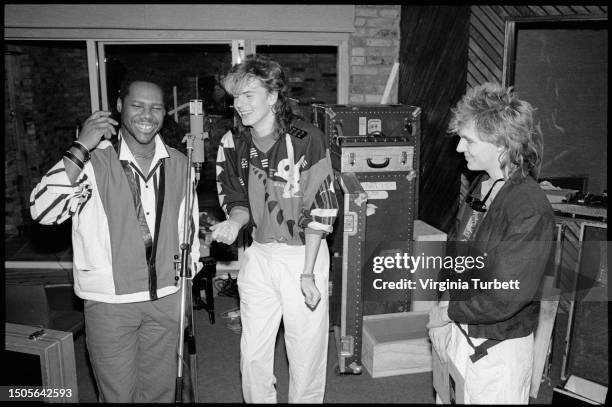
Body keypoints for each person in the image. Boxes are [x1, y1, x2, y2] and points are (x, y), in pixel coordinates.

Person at [30, 77, 201, 402]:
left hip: (166, 297)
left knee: (161, 393)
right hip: (110, 303)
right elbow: (43, 210)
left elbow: (188, 230)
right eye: (138, 105)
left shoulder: (181, 163)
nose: (147, 115)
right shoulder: (91, 161)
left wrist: (186, 288)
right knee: (118, 395)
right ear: (120, 106)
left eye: (156, 107)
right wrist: (81, 145)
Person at [211, 54, 338, 403]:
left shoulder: (306, 138)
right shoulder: (232, 143)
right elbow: (235, 197)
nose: (240, 104)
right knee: (252, 353)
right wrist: (233, 224)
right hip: (259, 255)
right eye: (236, 97)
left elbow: (322, 206)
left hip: (303, 254)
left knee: (306, 353)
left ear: (272, 96)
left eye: (248, 95)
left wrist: (309, 273)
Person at [427, 82, 554, 404]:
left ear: (499, 145)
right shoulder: (482, 185)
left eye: (468, 140)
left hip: (497, 349)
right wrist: (442, 311)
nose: (459, 148)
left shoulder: (528, 208)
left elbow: (504, 297)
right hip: (459, 328)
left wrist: (446, 313)